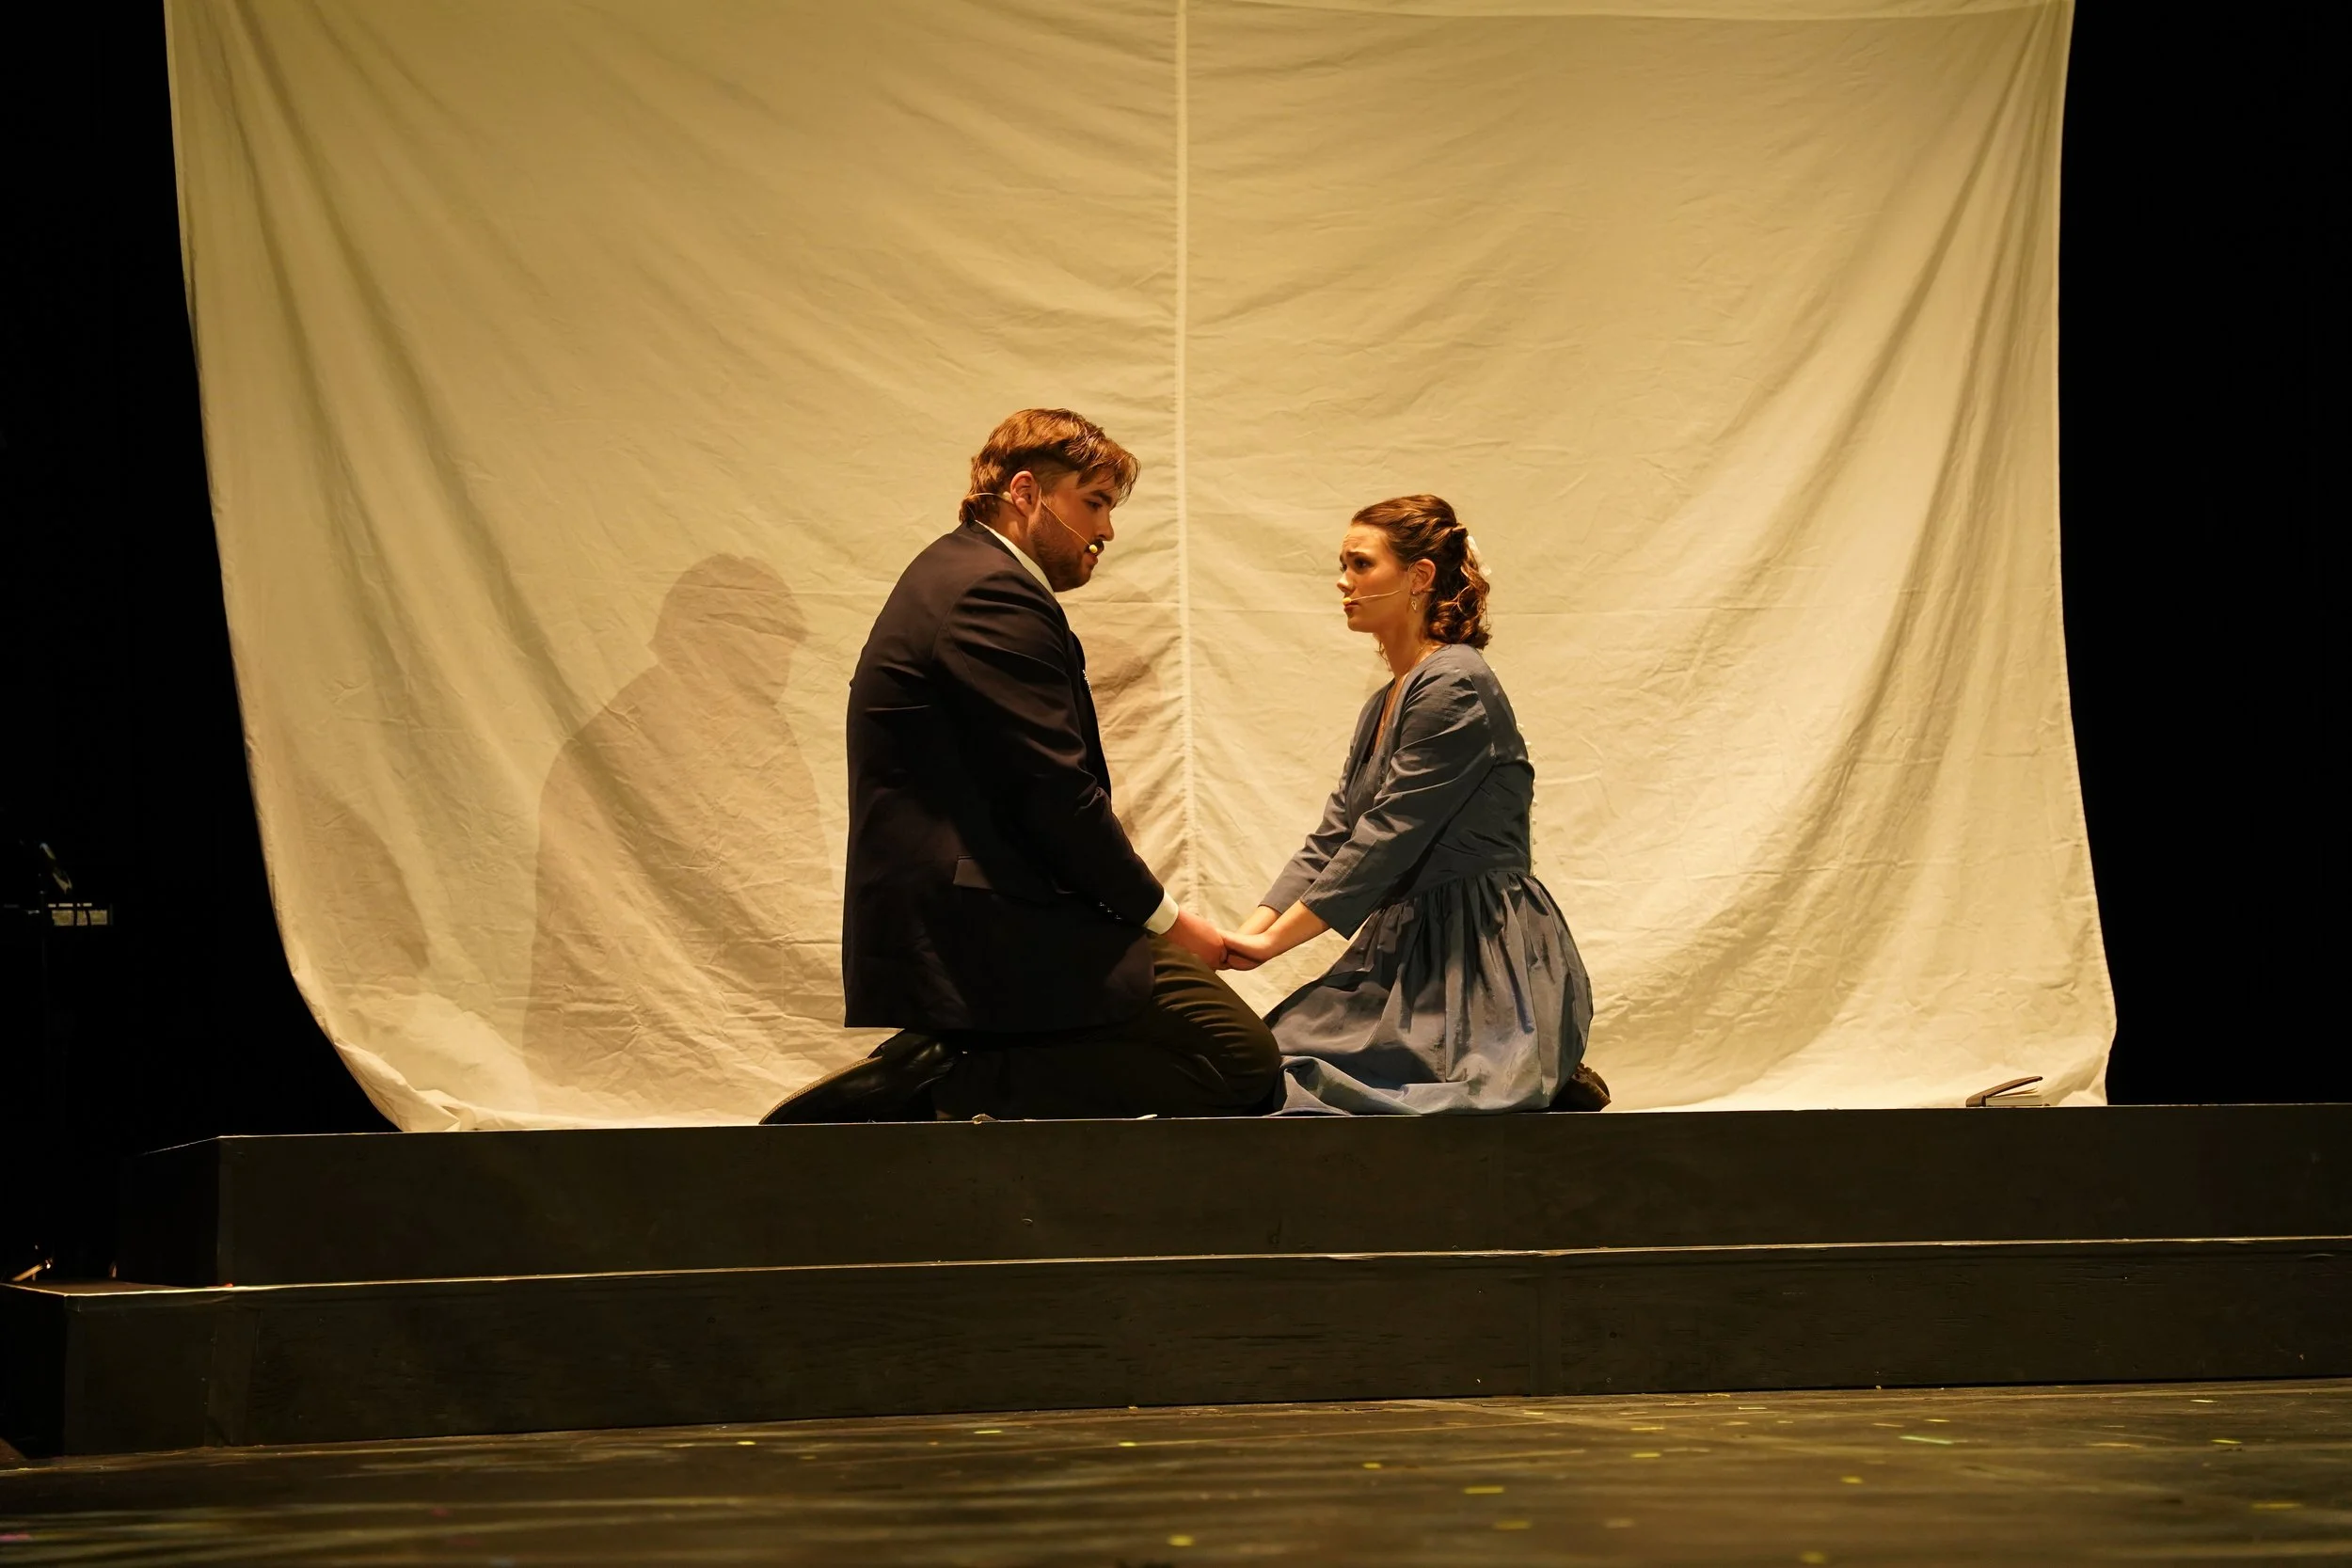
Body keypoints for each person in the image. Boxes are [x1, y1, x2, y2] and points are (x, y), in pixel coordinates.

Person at [764, 409, 1279, 1123]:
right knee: (1240, 1061)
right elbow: (1056, 796)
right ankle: (929, 1089)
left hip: (997, 908)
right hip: (993, 924)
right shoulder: (990, 592)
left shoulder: (960, 571)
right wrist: (1169, 921)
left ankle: (952, 1078)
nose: (1106, 531)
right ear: (1028, 491)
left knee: (1232, 1061)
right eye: (1094, 503)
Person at [1221, 495, 1607, 1115]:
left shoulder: (1454, 682)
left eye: (1360, 563)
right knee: (1261, 1062)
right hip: (1408, 949)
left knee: (1316, 1085)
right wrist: (1246, 931)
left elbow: (1385, 839)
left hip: (1478, 964)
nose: (1342, 580)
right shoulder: (1387, 700)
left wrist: (1273, 945)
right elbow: (1336, 835)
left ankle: (1543, 1079)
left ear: (1419, 577)